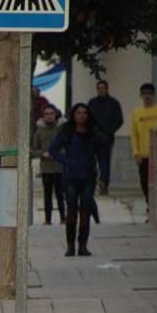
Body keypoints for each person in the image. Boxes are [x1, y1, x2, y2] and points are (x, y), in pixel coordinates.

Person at [49, 103, 105, 257]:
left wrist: (103, 175)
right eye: (78, 113)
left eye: (84, 113)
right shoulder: (67, 131)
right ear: (73, 115)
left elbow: (101, 154)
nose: (81, 116)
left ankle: (83, 245)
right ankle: (70, 246)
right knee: (72, 211)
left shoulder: (93, 132)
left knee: (85, 211)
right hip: (70, 177)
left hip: (88, 176)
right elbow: (53, 150)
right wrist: (66, 161)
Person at [130, 82, 157, 219]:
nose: (147, 96)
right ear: (141, 96)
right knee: (145, 183)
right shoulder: (136, 113)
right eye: (144, 94)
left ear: (154, 95)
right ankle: (149, 207)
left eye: (149, 93)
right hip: (144, 155)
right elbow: (134, 134)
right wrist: (136, 152)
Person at [87, 80, 123, 195]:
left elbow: (119, 120)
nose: (101, 90)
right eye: (99, 88)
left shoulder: (113, 103)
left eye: (103, 88)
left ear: (107, 89)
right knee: (90, 162)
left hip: (107, 138)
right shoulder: (92, 103)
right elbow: (87, 118)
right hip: (92, 137)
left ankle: (104, 184)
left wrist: (109, 131)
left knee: (104, 162)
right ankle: (91, 183)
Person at [32, 104, 66, 225]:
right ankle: (48, 219)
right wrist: (43, 153)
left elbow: (67, 146)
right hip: (46, 168)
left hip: (59, 167)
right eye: (46, 114)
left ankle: (63, 218)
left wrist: (57, 153)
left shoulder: (61, 129)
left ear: (55, 114)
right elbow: (34, 149)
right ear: (43, 116)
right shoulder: (39, 131)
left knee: (60, 194)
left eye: (51, 113)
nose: (49, 116)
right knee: (47, 195)